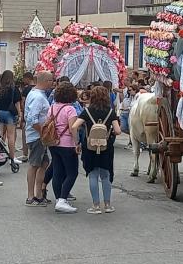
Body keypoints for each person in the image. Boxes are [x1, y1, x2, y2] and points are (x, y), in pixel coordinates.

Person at [72, 86, 121, 214]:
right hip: (106, 147)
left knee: (93, 175)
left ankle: (96, 206)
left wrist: (77, 141)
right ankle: (108, 205)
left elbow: (74, 126)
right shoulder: (110, 112)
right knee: (105, 175)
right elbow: (118, 131)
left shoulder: (87, 111)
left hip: (90, 147)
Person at [47, 81, 80, 214]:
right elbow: (73, 127)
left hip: (54, 143)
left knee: (57, 171)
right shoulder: (70, 109)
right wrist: (77, 142)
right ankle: (63, 199)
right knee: (72, 172)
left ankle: (58, 198)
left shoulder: (53, 107)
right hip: (67, 143)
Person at [24, 71, 53, 207]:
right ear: (45, 81)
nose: (52, 83)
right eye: (51, 81)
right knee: (34, 164)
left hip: (37, 135)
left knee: (43, 163)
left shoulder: (35, 94)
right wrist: (43, 132)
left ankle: (39, 193)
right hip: (37, 136)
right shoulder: (38, 97)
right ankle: (31, 196)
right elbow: (32, 118)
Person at [0, 70, 23, 165]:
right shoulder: (14, 89)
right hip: (9, 113)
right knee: (11, 136)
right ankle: (12, 157)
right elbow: (17, 103)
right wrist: (19, 114)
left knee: (0, 135)